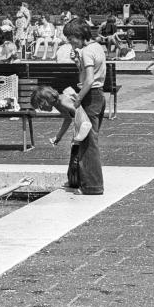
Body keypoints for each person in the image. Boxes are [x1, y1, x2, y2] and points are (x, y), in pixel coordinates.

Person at [62, 19, 105, 195]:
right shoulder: (97, 47)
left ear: (79, 35)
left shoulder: (87, 51)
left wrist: (78, 99)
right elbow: (92, 73)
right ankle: (87, 181)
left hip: (90, 96)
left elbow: (88, 80)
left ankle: (92, 186)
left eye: (71, 39)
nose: (70, 42)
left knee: (88, 142)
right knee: (90, 139)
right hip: (99, 96)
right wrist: (77, 60)